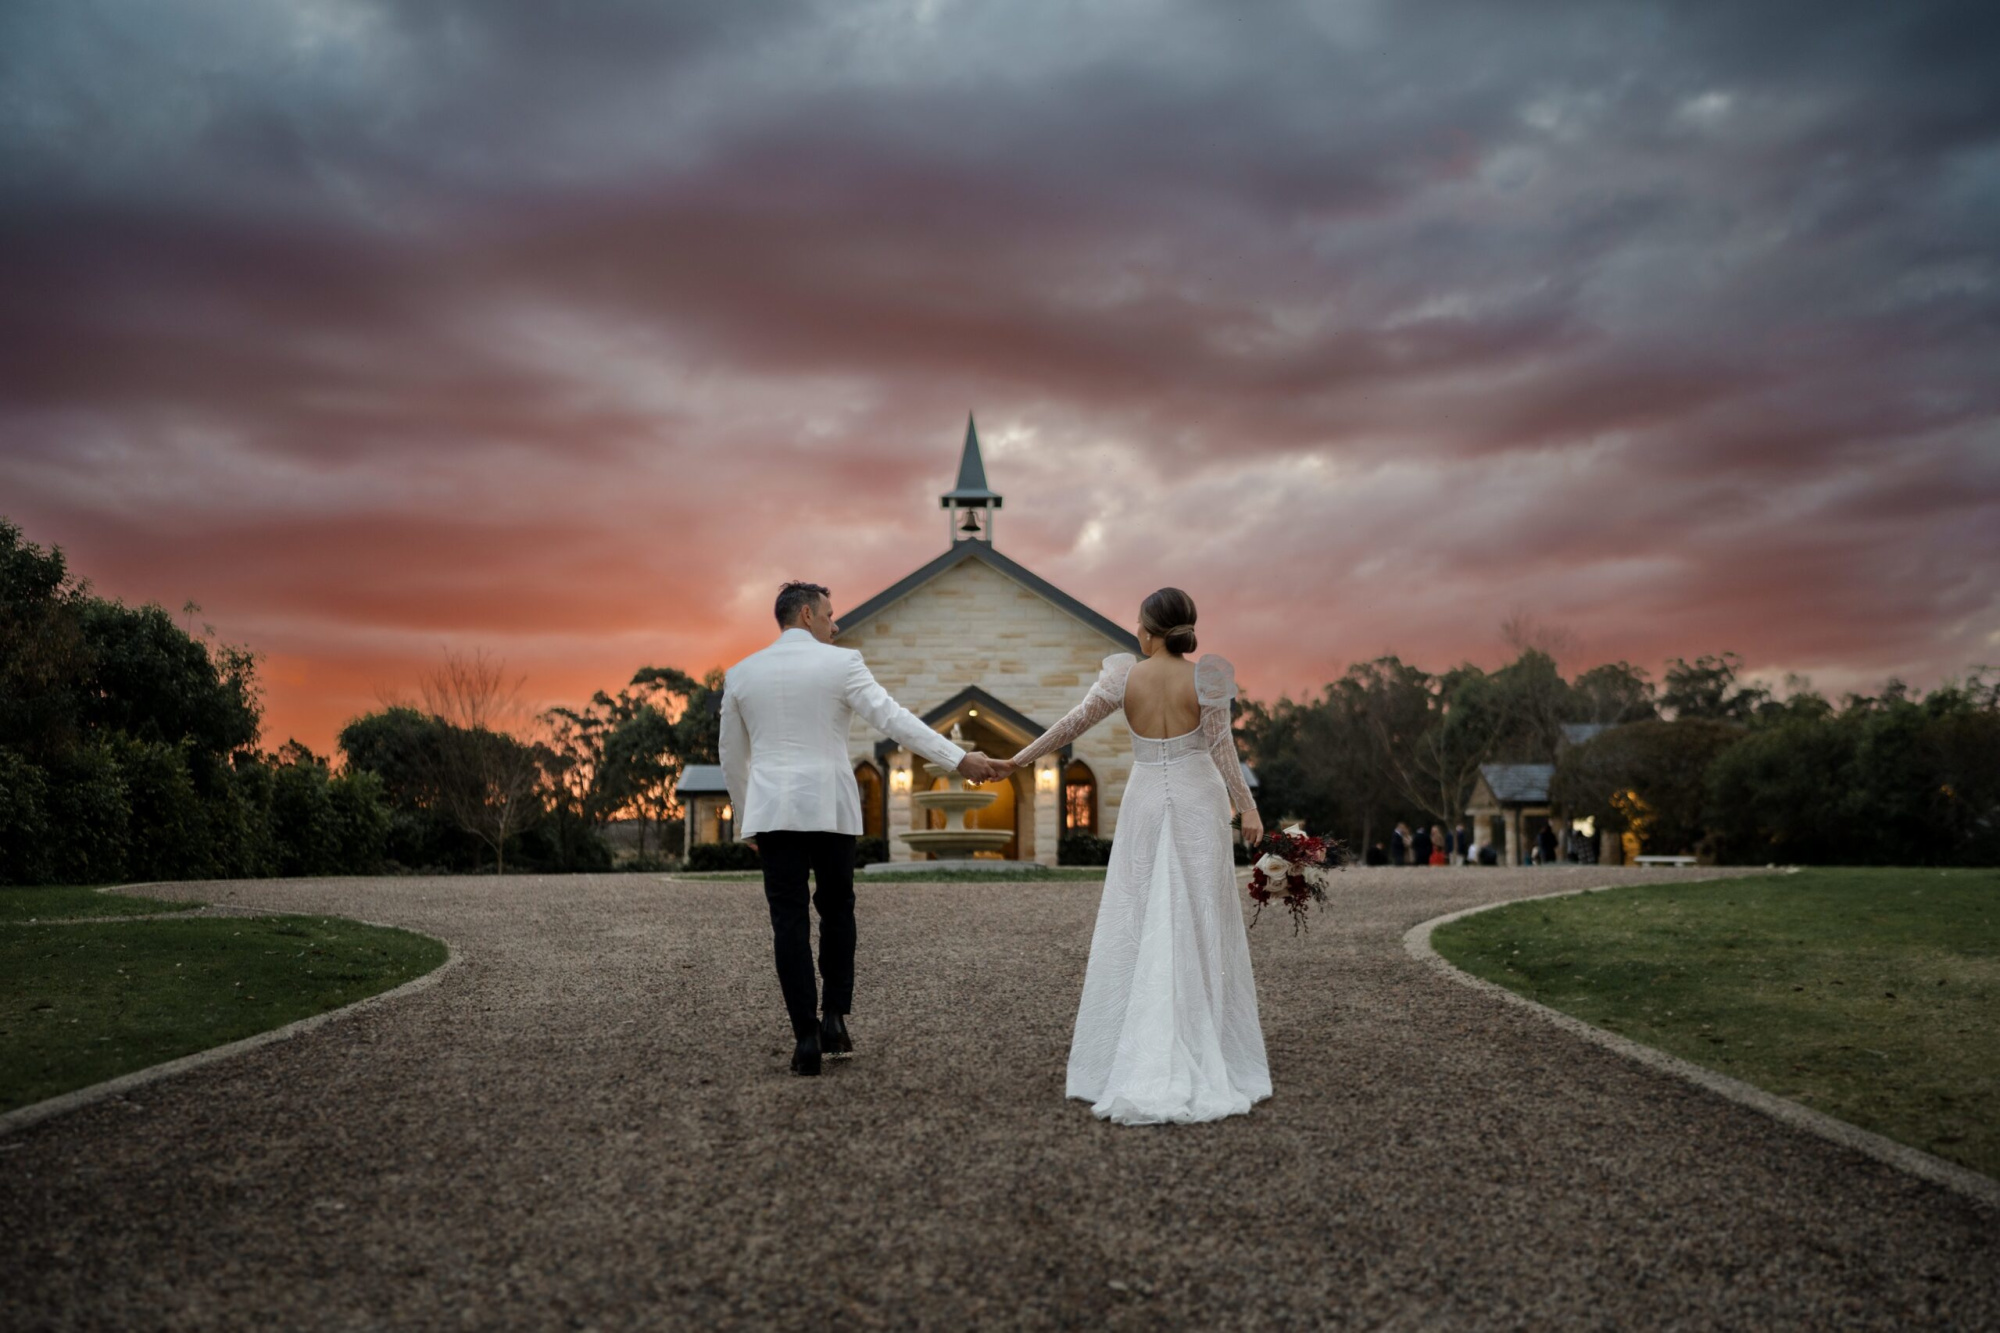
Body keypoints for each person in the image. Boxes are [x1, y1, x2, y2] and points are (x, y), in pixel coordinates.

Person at [1000, 586, 1268, 1125]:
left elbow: (1069, 726)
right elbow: (1221, 748)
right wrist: (1250, 808)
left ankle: (1137, 1044)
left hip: (1146, 799)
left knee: (1139, 913)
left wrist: (1017, 760)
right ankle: (1202, 1037)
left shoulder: (1124, 676)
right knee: (1199, 914)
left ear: (1148, 630)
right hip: (1198, 798)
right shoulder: (1206, 676)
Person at [721, 581, 1011, 1077]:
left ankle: (805, 1038)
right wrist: (959, 758)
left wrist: (749, 817)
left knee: (787, 923)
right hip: (830, 809)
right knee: (837, 911)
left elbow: (732, 755)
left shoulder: (740, 674)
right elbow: (894, 720)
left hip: (773, 814)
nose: (836, 626)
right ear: (807, 615)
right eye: (831, 616)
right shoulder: (843, 664)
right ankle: (833, 1017)